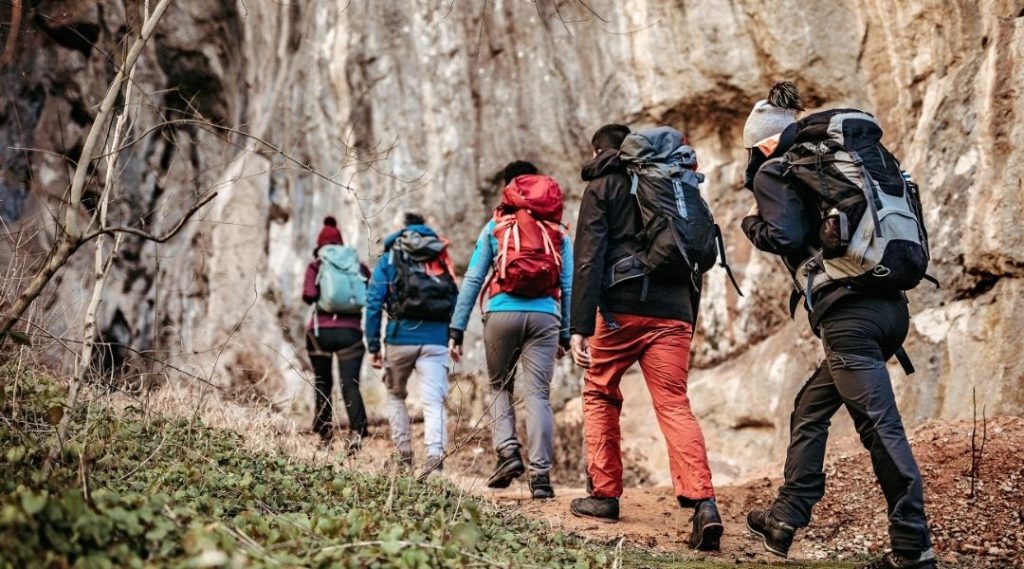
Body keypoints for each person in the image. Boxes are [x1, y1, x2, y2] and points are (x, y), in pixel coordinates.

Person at [740, 82, 936, 569]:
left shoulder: (777, 168)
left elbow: (783, 233)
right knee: (811, 407)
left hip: (850, 317)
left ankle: (913, 551)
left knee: (879, 427)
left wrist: (751, 226)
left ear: (765, 142)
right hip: (890, 309)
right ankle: (785, 517)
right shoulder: (846, 162)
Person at [567, 124, 723, 551]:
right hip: (673, 311)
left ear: (600, 149)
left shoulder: (603, 185)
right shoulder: (673, 180)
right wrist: (685, 316)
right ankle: (704, 502)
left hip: (621, 310)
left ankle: (604, 496)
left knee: (600, 392)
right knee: (674, 402)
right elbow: (690, 251)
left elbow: (588, 257)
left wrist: (579, 326)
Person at [449, 160, 573, 500]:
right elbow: (569, 283)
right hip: (546, 317)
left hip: (502, 313)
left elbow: (474, 278)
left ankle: (507, 453)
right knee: (538, 395)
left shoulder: (496, 226)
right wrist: (567, 332)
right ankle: (542, 478)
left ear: (509, 188)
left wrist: (456, 328)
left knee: (499, 386)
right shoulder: (558, 231)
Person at [365, 212, 459, 478]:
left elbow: (373, 302)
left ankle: (404, 456)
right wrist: (455, 335)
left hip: (399, 338)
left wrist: (373, 345)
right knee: (434, 402)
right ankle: (434, 460)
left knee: (395, 396)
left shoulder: (391, 256)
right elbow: (455, 298)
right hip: (436, 339)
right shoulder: (439, 254)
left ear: (402, 228)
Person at [302, 216, 369, 451]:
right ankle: (356, 432)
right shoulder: (356, 265)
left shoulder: (317, 265)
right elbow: (368, 291)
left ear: (320, 246)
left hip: (321, 333)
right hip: (351, 333)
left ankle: (325, 436)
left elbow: (309, 295)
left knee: (322, 381)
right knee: (349, 383)